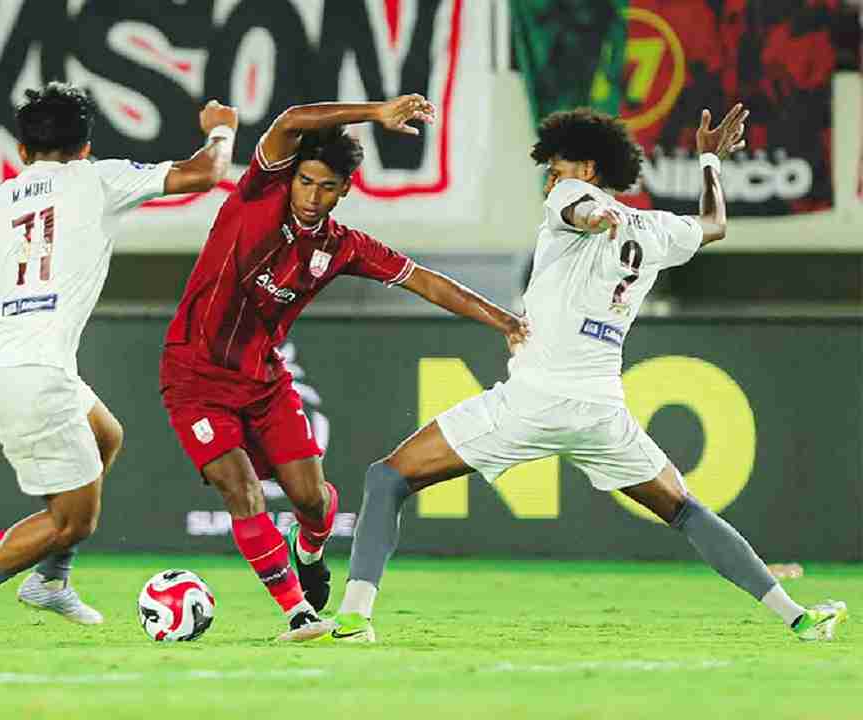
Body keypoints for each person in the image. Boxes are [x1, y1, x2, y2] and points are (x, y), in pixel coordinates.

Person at [328, 104, 848, 643]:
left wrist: (592, 216)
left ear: (589, 170)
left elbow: (579, 209)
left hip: (532, 401)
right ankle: (799, 618)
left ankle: (354, 618)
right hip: (601, 411)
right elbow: (715, 225)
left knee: (387, 478)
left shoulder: (569, 195)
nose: (550, 180)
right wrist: (710, 162)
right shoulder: (658, 228)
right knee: (686, 510)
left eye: (557, 168)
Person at [0, 82, 238, 637]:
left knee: (106, 435)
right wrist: (222, 126)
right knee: (72, 519)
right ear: (86, 146)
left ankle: (50, 581)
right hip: (33, 376)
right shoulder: (99, 179)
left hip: (16, 365)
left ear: (21, 151)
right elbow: (205, 173)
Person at [159, 96, 528, 641]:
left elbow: (424, 280)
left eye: (327, 187)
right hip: (194, 378)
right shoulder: (257, 195)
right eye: (306, 182)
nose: (312, 196)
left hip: (263, 381)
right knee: (241, 490)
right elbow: (289, 122)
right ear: (290, 178)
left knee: (312, 500)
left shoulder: (342, 247)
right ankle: (297, 612)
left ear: (344, 191)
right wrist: (378, 113)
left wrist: (503, 320)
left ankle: (308, 548)